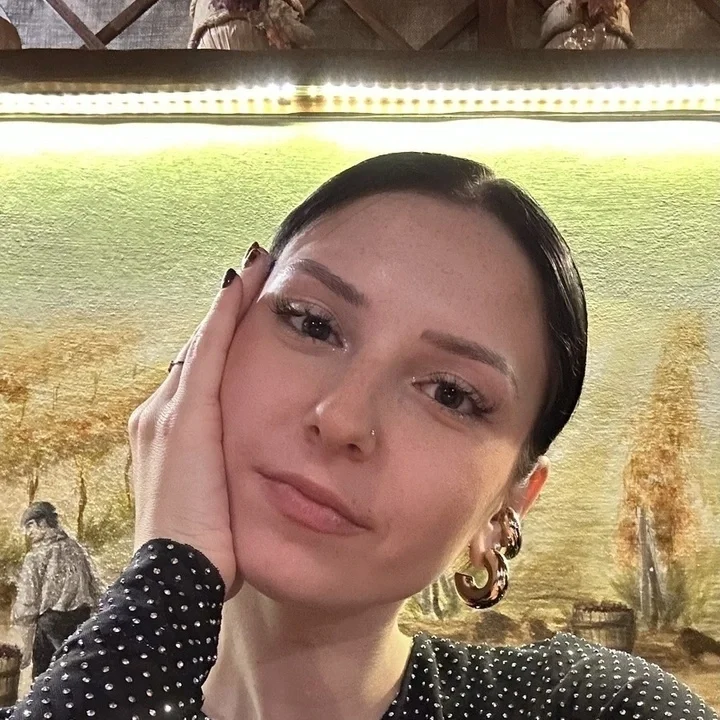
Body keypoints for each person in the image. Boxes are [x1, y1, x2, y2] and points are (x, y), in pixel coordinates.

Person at [1, 151, 717, 719]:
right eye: (314, 324)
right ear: (211, 344)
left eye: (450, 393)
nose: (342, 419)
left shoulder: (592, 708)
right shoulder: (81, 694)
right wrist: (166, 586)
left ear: (509, 505)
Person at [10, 501, 102, 678]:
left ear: (43, 522)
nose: (27, 533)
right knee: (76, 675)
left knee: (44, 679)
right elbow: (94, 587)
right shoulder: (75, 549)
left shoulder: (34, 557)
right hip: (81, 622)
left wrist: (20, 625)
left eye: (30, 525)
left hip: (50, 625)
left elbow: (28, 603)